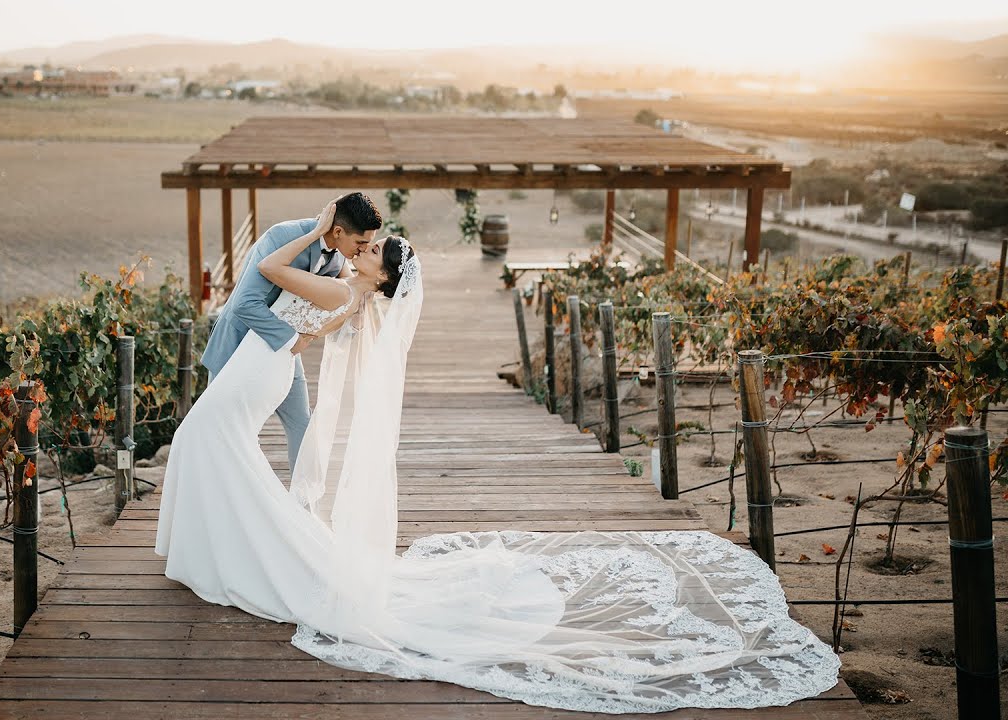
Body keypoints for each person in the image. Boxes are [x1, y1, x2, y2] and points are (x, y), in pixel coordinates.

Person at [155, 200, 838, 714]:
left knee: (203, 446)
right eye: (363, 243)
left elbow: (270, 273)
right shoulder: (354, 297)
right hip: (264, 369)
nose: (362, 251)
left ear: (378, 272)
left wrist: (319, 227)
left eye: (372, 251)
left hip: (260, 369)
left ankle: (224, 550)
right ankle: (223, 546)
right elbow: (293, 316)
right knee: (215, 453)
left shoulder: (342, 290)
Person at [198, 192, 382, 473]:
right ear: (338, 231)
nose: (361, 250)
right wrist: (294, 340)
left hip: (284, 353)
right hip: (239, 348)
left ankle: (300, 503)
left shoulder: (337, 257)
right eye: (360, 243)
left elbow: (346, 293)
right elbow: (245, 304)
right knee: (220, 431)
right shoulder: (282, 236)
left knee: (301, 426)